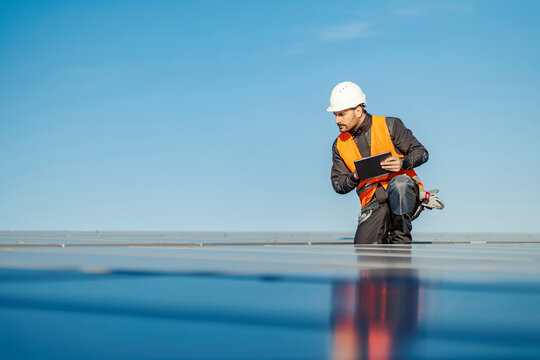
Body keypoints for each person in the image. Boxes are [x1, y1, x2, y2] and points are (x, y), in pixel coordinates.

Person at [329, 81, 443, 244]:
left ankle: (401, 238)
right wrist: (354, 177)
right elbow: (338, 184)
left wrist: (403, 163)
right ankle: (386, 236)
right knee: (362, 248)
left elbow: (422, 153)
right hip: (373, 202)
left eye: (341, 114)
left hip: (403, 193)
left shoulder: (390, 125)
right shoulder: (339, 145)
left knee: (400, 183)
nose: (337, 120)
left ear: (358, 111)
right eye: (335, 115)